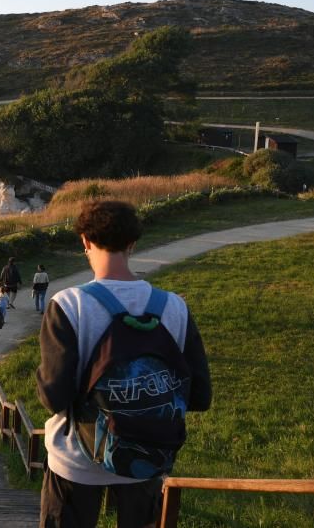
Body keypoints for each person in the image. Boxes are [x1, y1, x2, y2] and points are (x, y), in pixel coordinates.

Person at [36, 200, 212, 528]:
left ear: (85, 241)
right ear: (133, 244)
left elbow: (54, 398)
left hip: (76, 463)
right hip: (147, 459)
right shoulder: (174, 307)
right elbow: (200, 396)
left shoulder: (69, 304)